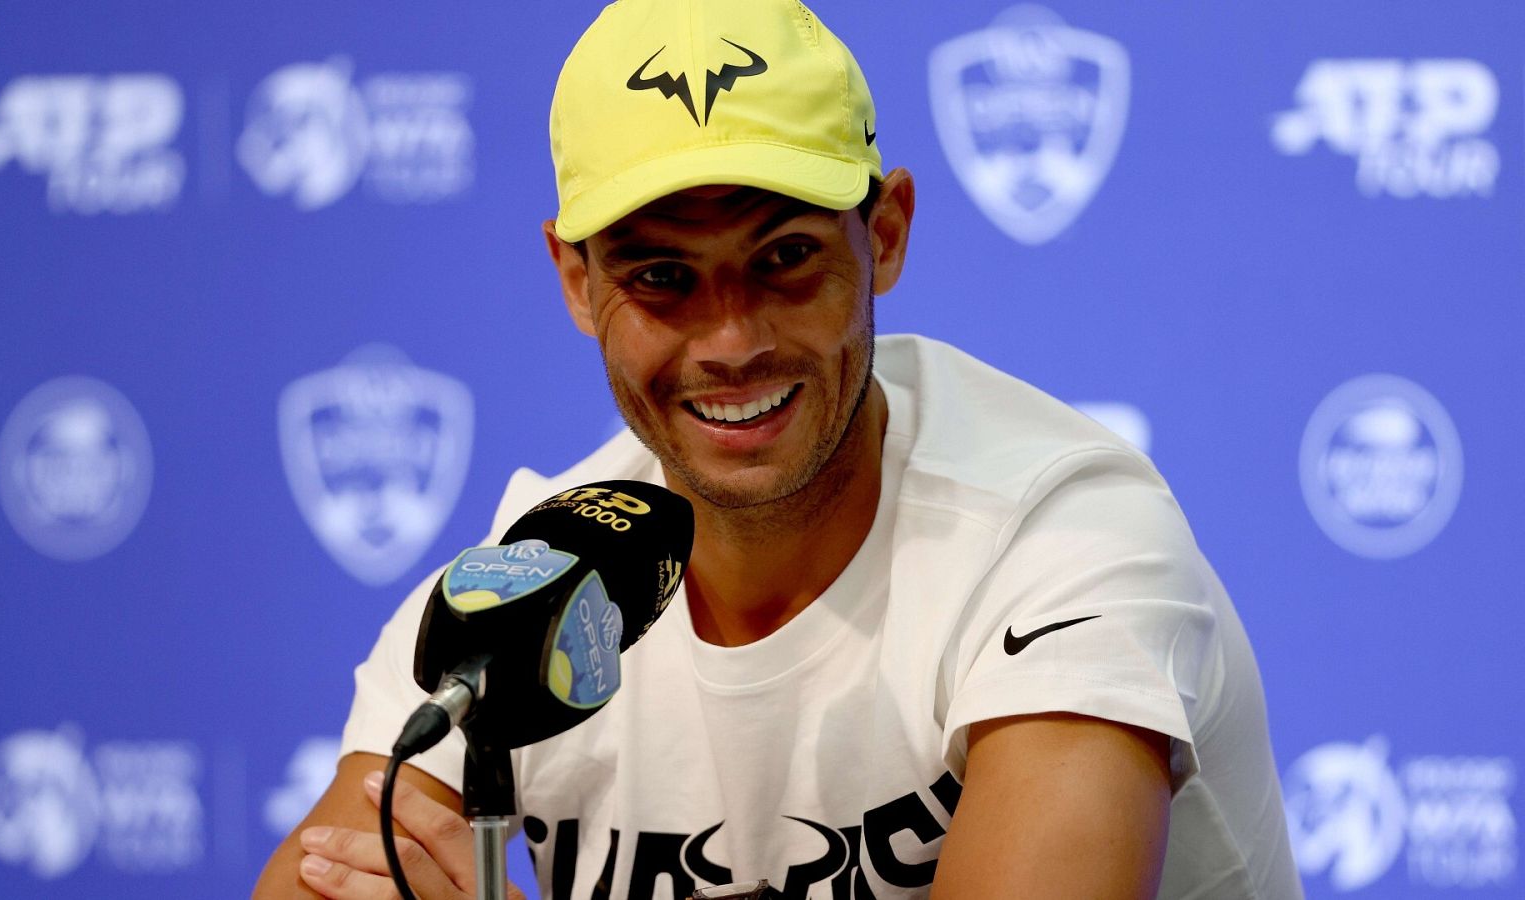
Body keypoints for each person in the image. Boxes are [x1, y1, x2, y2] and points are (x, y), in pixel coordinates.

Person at [255, 0, 1303, 897]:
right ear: (577, 283)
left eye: (786, 258)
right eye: (662, 277)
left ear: (883, 233)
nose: (732, 342)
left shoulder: (1060, 537)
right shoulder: (537, 570)